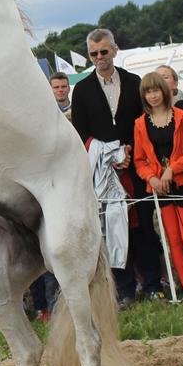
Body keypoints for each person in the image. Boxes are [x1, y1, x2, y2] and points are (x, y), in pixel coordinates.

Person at [70, 27, 164, 303]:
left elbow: (144, 122)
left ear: (114, 50)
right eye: (94, 54)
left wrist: (132, 150)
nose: (99, 57)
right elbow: (81, 133)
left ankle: (152, 284)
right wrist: (109, 155)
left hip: (136, 166)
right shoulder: (82, 89)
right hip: (104, 171)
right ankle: (124, 290)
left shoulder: (134, 82)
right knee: (112, 229)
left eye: (103, 52)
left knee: (143, 225)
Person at [133, 73, 183, 301]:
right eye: (148, 92)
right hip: (160, 189)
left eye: (156, 90)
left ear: (164, 91)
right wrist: (152, 178)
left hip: (182, 183)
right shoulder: (140, 124)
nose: (153, 95)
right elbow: (139, 161)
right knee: (174, 240)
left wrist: (171, 170)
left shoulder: (181, 117)